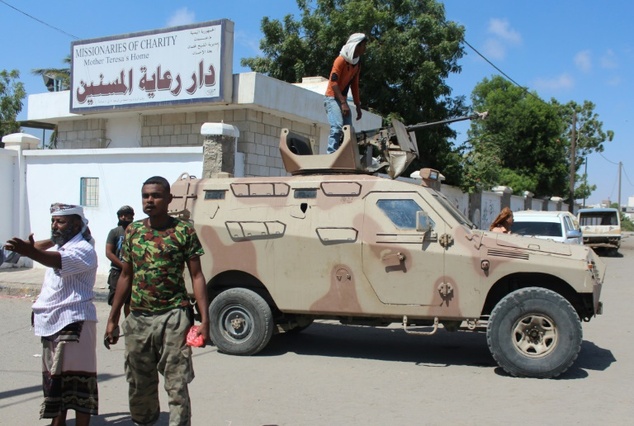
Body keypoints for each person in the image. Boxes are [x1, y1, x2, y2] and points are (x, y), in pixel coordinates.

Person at [104, 176, 210, 426]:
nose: (150, 200)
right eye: (145, 196)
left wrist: (204, 320)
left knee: (177, 384)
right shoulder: (133, 231)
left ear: (169, 199)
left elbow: (197, 275)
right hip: (139, 318)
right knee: (139, 384)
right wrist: (113, 318)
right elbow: (126, 276)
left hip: (173, 316)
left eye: (156, 195)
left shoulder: (184, 231)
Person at [4, 203, 98, 426]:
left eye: (60, 221)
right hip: (52, 322)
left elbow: (54, 260)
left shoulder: (83, 249)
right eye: (53, 221)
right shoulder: (65, 245)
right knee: (55, 382)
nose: (55, 225)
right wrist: (41, 244)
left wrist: (32, 252)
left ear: (76, 224)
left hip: (74, 320)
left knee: (79, 381)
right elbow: (48, 248)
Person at [324, 33, 368, 154]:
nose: (365, 48)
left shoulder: (357, 64)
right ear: (356, 46)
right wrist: (343, 103)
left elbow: (354, 85)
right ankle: (331, 155)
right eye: (363, 45)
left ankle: (344, 155)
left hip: (342, 99)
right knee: (337, 127)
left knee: (348, 131)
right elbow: (333, 83)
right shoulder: (341, 60)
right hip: (332, 98)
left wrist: (358, 106)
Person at [105, 205, 135, 316]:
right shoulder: (114, 232)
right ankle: (113, 329)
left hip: (133, 273)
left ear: (132, 216)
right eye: (121, 215)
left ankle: (129, 329)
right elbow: (109, 252)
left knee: (130, 302)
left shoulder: (137, 231)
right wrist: (123, 266)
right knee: (116, 303)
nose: (123, 217)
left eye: (126, 215)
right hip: (117, 272)